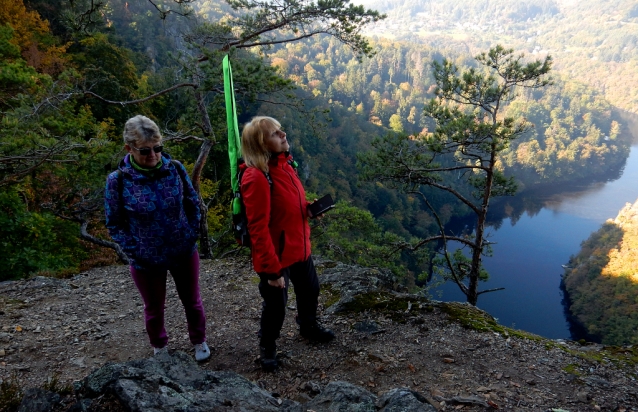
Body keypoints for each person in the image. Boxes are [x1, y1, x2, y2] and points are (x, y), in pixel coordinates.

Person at [104, 115, 211, 362]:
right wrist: (136, 250)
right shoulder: (117, 181)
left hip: (183, 250)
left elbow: (192, 203)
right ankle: (159, 347)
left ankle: (199, 340)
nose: (153, 155)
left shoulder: (174, 168)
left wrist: (190, 232)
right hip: (146, 259)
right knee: (153, 308)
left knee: (192, 301)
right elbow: (114, 222)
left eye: (157, 148)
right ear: (128, 149)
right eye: (145, 151)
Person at [240, 116, 334, 372]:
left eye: (281, 130)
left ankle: (308, 326)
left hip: (298, 247)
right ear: (261, 144)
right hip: (276, 257)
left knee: (310, 290)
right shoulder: (256, 177)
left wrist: (308, 209)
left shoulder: (285, 166)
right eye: (274, 134)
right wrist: (272, 271)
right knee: (275, 307)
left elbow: (287, 206)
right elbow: (257, 229)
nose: (283, 135)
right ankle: (267, 345)